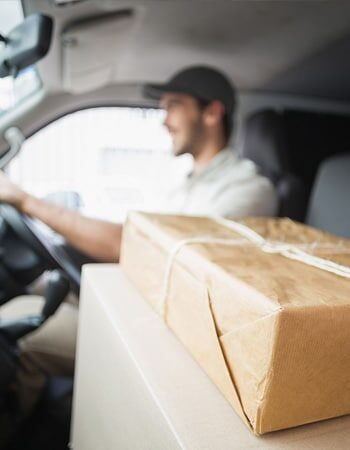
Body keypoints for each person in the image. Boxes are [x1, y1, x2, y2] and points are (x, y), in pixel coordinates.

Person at [0, 66, 277, 421]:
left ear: (212, 112)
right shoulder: (184, 184)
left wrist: (25, 200)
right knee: (30, 297)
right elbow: (133, 235)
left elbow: (132, 245)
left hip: (164, 338)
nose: (164, 121)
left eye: (174, 106)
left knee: (19, 332)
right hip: (132, 306)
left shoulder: (247, 190)